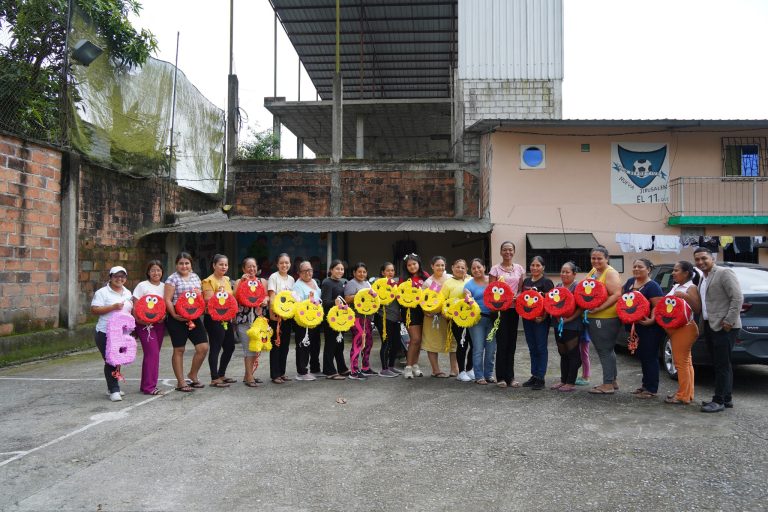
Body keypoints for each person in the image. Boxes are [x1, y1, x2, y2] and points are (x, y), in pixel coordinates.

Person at [694, 247, 744, 413]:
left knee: (722, 364)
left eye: (704, 258)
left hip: (724, 326)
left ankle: (719, 400)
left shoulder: (724, 273)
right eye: (697, 260)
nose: (700, 262)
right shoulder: (703, 277)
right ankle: (727, 398)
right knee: (720, 363)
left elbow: (737, 298)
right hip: (710, 324)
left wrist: (729, 321)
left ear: (712, 258)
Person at [164, 252, 209, 392]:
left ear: (191, 264)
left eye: (187, 263)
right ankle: (181, 382)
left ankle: (193, 375)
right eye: (181, 263)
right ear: (176, 265)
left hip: (193, 318)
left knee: (203, 348)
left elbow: (199, 297)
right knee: (179, 349)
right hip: (176, 319)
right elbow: (167, 300)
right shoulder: (172, 279)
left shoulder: (195, 277)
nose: (184, 266)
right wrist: (174, 315)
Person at [622, 258, 665, 399]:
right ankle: (645, 385)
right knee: (642, 357)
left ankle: (651, 389)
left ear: (649, 269)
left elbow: (658, 306)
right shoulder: (629, 282)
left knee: (650, 357)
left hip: (649, 328)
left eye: (640, 267)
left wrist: (651, 320)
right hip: (635, 327)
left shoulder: (652, 286)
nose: (636, 269)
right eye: (634, 266)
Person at [660, 260, 701, 405]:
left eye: (676, 270)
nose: (673, 273)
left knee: (681, 363)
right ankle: (687, 393)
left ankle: (683, 395)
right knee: (686, 362)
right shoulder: (677, 286)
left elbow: (697, 308)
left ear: (686, 273)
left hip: (685, 328)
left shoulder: (691, 287)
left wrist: (684, 296)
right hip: (677, 329)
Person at [91, 266, 133, 402]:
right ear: (110, 277)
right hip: (104, 332)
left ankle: (112, 386)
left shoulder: (128, 293)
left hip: (121, 333)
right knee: (111, 360)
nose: (119, 279)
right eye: (116, 276)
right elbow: (94, 310)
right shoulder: (102, 292)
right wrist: (113, 307)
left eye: (122, 276)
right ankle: (114, 390)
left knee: (118, 360)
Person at [586, 246, 622, 395]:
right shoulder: (595, 271)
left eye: (599, 258)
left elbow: (616, 294)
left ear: (607, 258)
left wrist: (599, 308)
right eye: (593, 258)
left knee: (604, 350)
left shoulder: (610, 273)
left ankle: (607, 384)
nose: (596, 261)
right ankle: (612, 380)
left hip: (605, 317)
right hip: (595, 316)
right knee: (608, 350)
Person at [489, 241, 525, 388]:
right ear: (501, 252)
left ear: (514, 252)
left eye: (510, 250)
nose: (508, 252)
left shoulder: (519, 269)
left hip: (514, 310)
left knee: (512, 343)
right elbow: (491, 291)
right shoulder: (495, 270)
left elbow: (521, 289)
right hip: (499, 311)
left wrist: (519, 296)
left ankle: (511, 377)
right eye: (505, 250)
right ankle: (501, 377)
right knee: (502, 343)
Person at [233, 257, 269, 388]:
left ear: (257, 268)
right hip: (243, 320)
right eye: (248, 266)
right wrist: (243, 282)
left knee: (255, 349)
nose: (251, 269)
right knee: (248, 349)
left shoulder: (262, 281)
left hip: (258, 321)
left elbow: (266, 295)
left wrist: (266, 300)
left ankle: (248, 374)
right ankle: (249, 377)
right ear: (243, 269)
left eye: (253, 266)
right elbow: (235, 297)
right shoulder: (239, 281)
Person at [132, 260, 166, 395]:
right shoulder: (142, 286)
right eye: (153, 270)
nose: (155, 273)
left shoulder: (165, 286)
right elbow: (135, 306)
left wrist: (165, 316)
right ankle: (149, 387)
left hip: (159, 325)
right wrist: (139, 320)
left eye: (158, 270)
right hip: (144, 325)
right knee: (152, 353)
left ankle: (146, 384)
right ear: (148, 272)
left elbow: (166, 305)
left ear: (162, 272)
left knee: (154, 355)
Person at [202, 254, 236, 388]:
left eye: (226, 264)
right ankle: (214, 378)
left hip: (227, 318)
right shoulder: (208, 281)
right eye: (221, 264)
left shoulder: (226, 279)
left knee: (230, 347)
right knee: (216, 347)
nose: (224, 267)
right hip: (214, 319)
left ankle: (221, 374)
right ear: (214, 265)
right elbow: (210, 301)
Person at [520, 256, 554, 391]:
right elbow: (523, 301)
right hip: (527, 320)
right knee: (532, 348)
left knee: (541, 348)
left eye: (538, 265)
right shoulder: (526, 281)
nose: (534, 268)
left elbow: (550, 302)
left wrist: (544, 316)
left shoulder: (547, 282)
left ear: (543, 267)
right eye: (532, 265)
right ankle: (534, 375)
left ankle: (541, 377)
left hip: (541, 320)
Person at [550, 262, 584, 392]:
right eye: (562, 271)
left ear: (574, 274)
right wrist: (556, 316)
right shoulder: (558, 286)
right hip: (558, 324)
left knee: (573, 353)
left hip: (573, 325)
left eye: (567, 272)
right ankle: (563, 380)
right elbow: (552, 303)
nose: (564, 274)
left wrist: (569, 319)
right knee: (562, 353)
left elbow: (581, 307)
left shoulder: (577, 287)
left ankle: (571, 382)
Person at [464, 258, 496, 384]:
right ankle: (479, 376)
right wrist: (467, 298)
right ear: (471, 270)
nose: (476, 270)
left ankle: (489, 374)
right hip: (477, 320)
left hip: (493, 319)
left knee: (491, 348)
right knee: (478, 348)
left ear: (484, 267)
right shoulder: (468, 285)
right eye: (473, 268)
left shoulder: (492, 281)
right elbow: (467, 301)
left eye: (479, 267)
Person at [421, 256, 454, 378]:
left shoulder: (451, 278)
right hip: (432, 318)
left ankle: (454, 369)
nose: (440, 267)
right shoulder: (428, 282)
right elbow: (423, 299)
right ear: (432, 266)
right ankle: (436, 370)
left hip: (449, 317)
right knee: (432, 343)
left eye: (442, 265)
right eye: (437, 265)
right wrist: (426, 311)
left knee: (452, 341)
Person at [442, 259, 472, 381]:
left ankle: (470, 369)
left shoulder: (471, 280)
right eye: (457, 267)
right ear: (453, 268)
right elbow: (442, 301)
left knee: (474, 344)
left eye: (463, 268)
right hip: (456, 319)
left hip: (472, 318)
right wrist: (445, 314)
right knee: (462, 344)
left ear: (466, 269)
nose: (460, 269)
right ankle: (461, 371)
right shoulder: (448, 283)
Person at [401, 253, 430, 379]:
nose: (412, 267)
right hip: (409, 311)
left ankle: (415, 365)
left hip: (423, 311)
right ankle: (408, 367)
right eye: (409, 265)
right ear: (406, 267)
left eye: (414, 264)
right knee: (415, 339)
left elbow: (433, 291)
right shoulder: (403, 279)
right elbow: (399, 296)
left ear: (419, 263)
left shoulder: (426, 276)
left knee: (419, 341)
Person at [345, 262, 376, 380]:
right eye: (359, 271)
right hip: (356, 318)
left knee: (368, 342)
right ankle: (354, 370)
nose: (362, 274)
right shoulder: (351, 283)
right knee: (358, 342)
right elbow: (347, 299)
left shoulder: (367, 283)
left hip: (367, 318)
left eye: (364, 272)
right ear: (354, 273)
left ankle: (365, 367)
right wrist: (360, 294)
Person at [268, 253, 295, 384]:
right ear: (277, 264)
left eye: (287, 263)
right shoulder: (274, 277)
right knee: (276, 345)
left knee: (285, 345)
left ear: (290, 264)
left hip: (287, 317)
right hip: (277, 317)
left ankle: (282, 372)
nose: (284, 265)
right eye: (282, 263)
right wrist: (274, 312)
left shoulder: (291, 279)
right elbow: (272, 296)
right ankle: (275, 374)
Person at [293, 260, 322, 381]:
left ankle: (315, 368)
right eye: (304, 271)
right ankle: (302, 372)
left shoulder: (314, 281)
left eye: (310, 270)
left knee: (315, 344)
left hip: (315, 320)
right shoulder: (297, 286)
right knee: (303, 345)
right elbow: (298, 304)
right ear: (299, 273)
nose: (308, 273)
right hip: (303, 321)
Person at [321, 259, 349, 380]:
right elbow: (325, 302)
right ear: (331, 270)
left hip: (340, 319)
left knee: (340, 344)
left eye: (342, 269)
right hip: (330, 319)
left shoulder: (342, 282)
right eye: (337, 268)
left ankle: (342, 368)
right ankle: (329, 371)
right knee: (331, 345)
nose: (340, 271)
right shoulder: (327, 282)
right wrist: (335, 302)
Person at [374, 262, 402, 378]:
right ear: (382, 272)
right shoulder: (378, 285)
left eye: (392, 270)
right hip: (383, 318)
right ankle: (384, 369)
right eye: (388, 270)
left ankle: (391, 366)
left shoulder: (396, 284)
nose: (391, 272)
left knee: (396, 344)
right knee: (387, 343)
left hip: (395, 318)